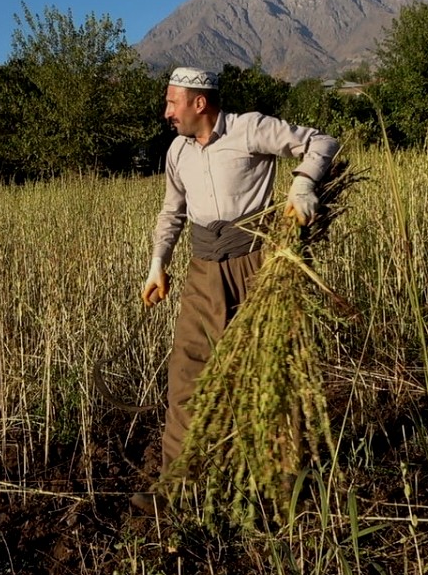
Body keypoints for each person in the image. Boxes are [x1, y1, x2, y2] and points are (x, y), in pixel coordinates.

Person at [131, 67, 340, 515]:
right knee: (186, 374)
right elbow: (173, 212)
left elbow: (321, 142)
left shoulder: (248, 129)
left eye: (172, 102)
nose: (167, 111)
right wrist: (157, 265)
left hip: (259, 266)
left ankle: (285, 486)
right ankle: (177, 484)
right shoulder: (177, 152)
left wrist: (303, 185)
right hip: (203, 269)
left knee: (271, 371)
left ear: (199, 104)